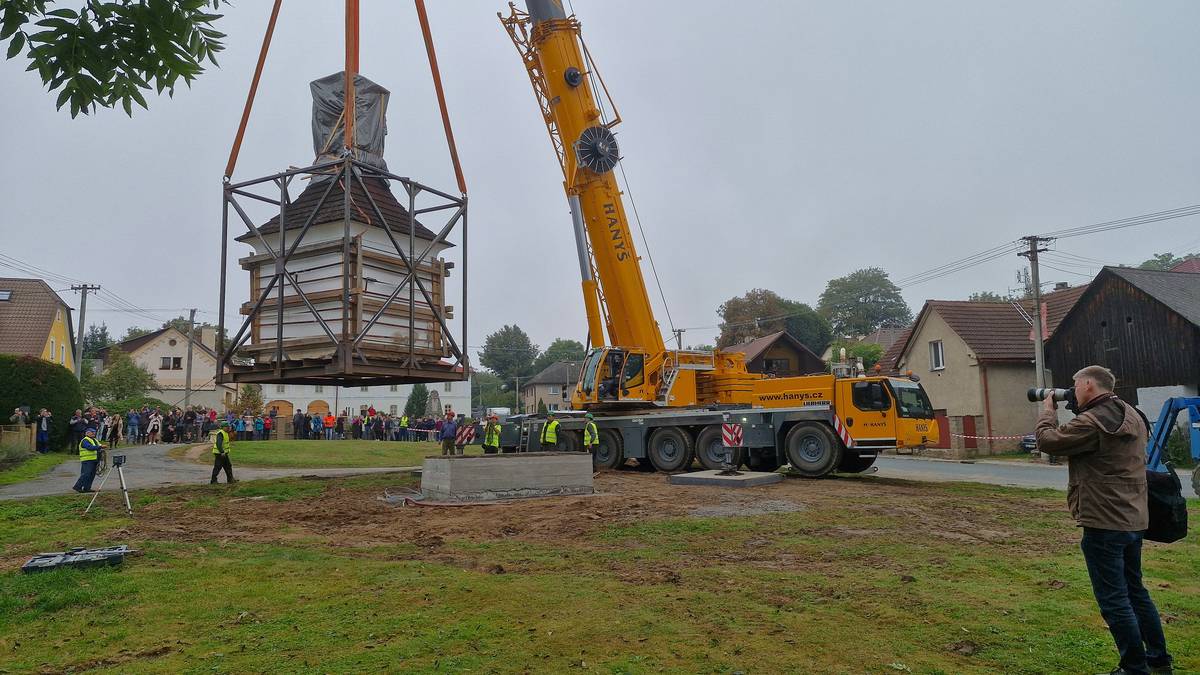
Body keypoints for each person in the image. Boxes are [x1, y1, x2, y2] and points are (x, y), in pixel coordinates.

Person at [1035, 365, 1172, 675]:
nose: (1071, 391)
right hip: (1133, 518)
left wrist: (1048, 410)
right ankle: (1158, 659)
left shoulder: (1092, 422)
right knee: (1136, 591)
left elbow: (1048, 441)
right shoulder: (1131, 413)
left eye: (1074, 386)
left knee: (1114, 600)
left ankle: (1134, 667)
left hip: (1104, 521)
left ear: (1088, 384)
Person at [72, 427, 104, 493]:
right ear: (87, 433)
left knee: (91, 475)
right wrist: (100, 447)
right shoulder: (85, 440)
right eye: (92, 432)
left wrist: (101, 449)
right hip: (87, 460)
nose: (93, 433)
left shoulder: (95, 440)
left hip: (94, 460)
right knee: (86, 474)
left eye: (94, 432)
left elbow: (99, 446)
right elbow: (90, 447)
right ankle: (77, 487)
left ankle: (87, 488)